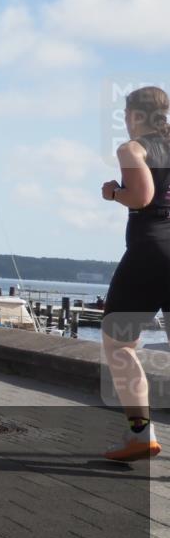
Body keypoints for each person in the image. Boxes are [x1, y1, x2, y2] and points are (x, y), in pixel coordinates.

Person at [101, 86, 170, 461]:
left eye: (127, 115)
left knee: (119, 345)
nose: (126, 121)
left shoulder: (133, 149)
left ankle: (141, 435)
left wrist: (114, 192)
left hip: (150, 253)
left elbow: (141, 197)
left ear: (137, 116)